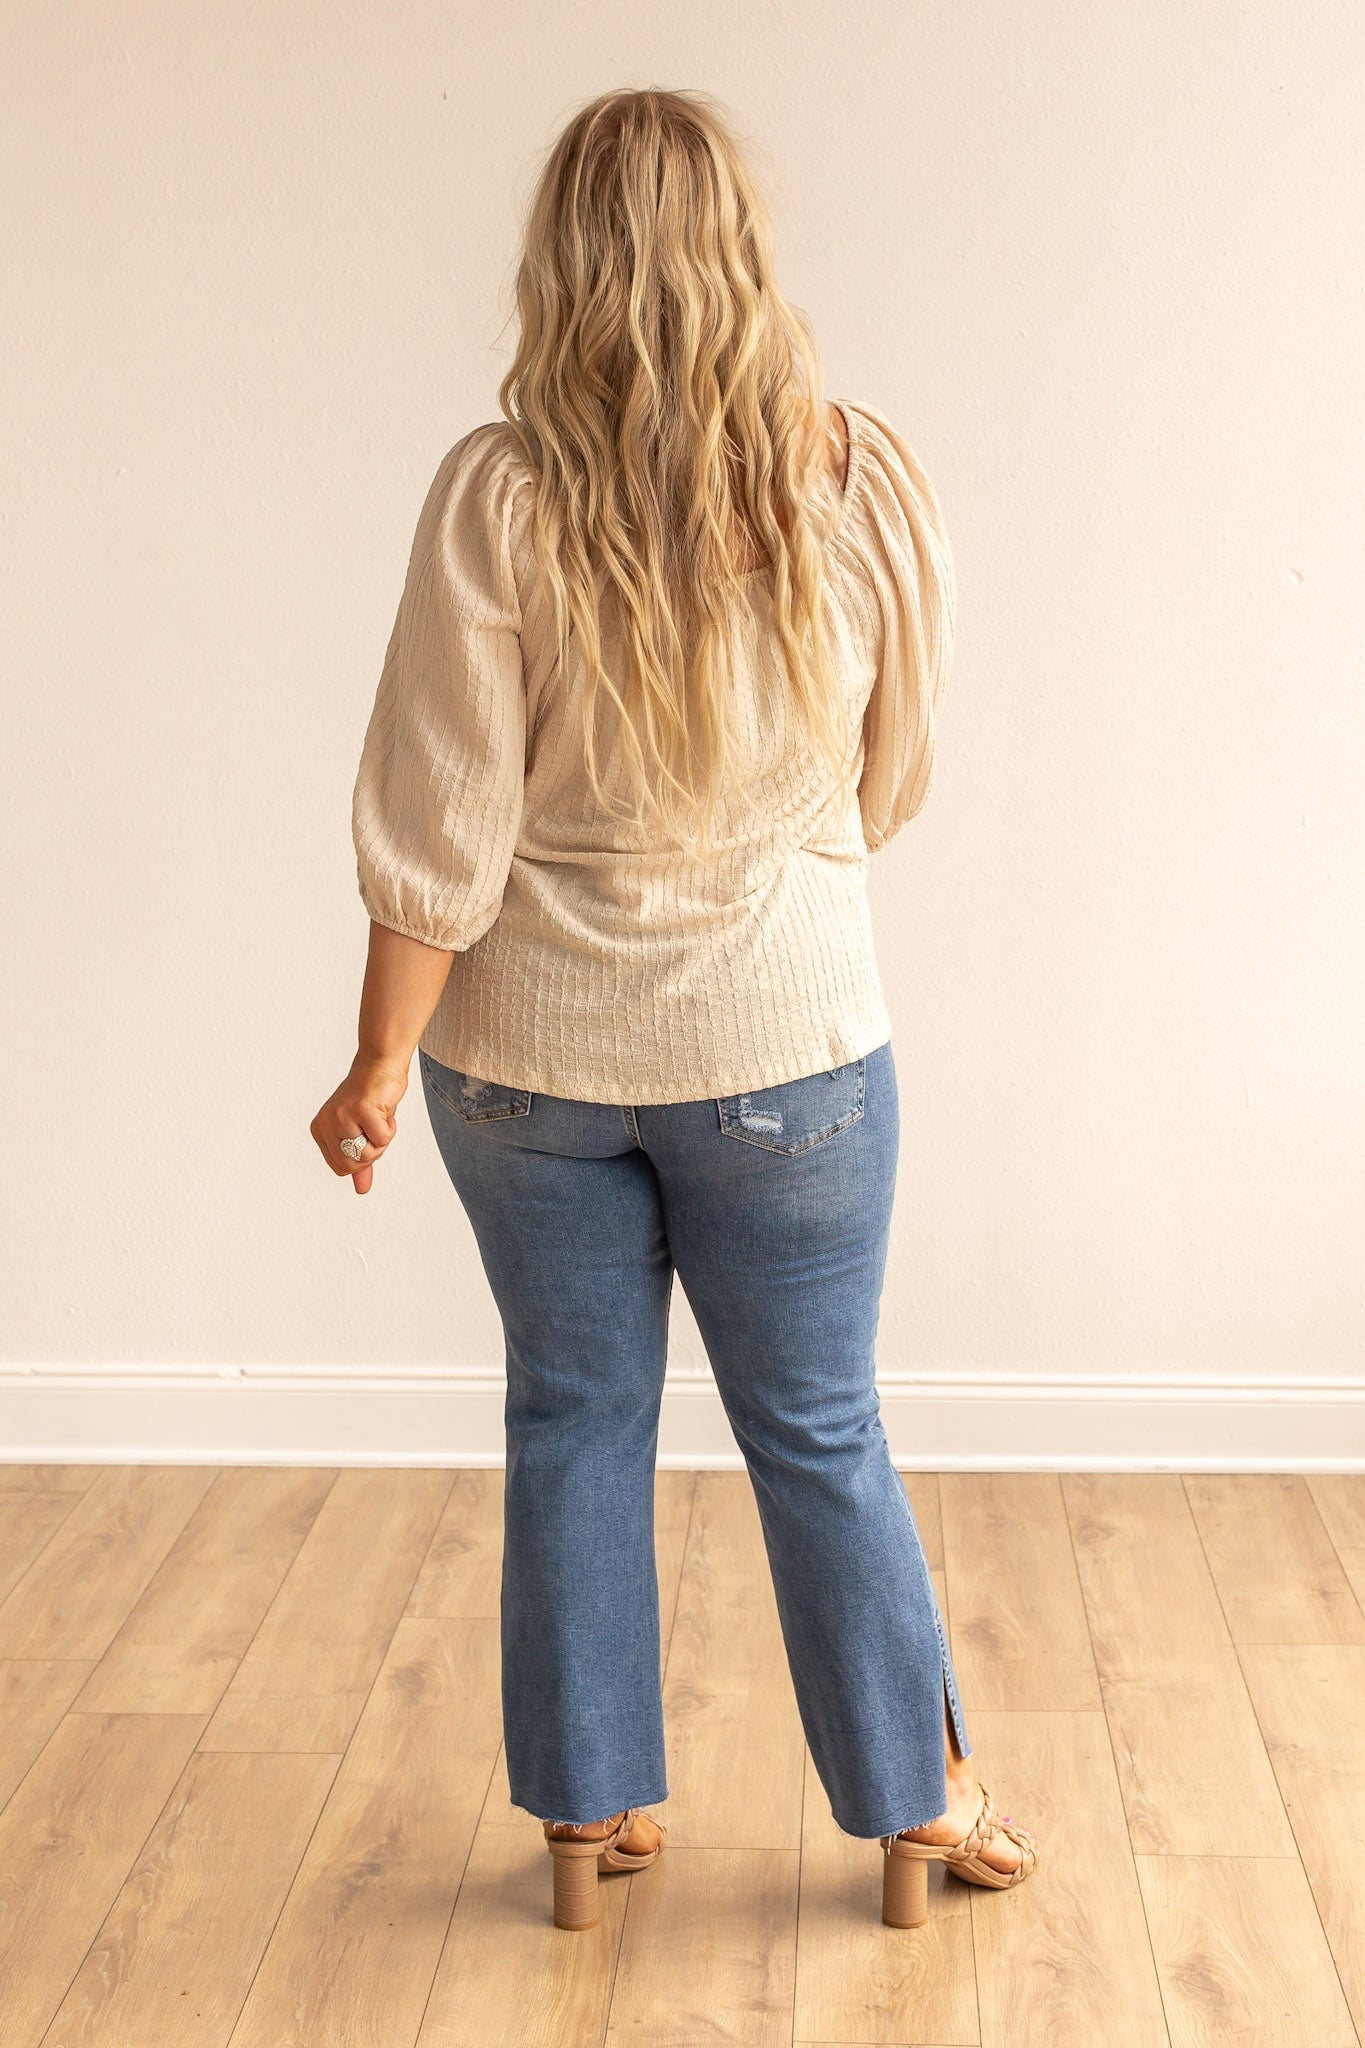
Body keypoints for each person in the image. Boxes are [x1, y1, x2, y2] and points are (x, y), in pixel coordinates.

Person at [311, 85, 1038, 1935]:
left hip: (521, 1063)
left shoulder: (498, 493)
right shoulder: (851, 477)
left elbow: (441, 818)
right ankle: (917, 1807)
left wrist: (379, 1058)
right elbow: (892, 777)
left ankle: (590, 1813)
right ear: (742, 250)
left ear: (559, 258)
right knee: (819, 1429)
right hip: (789, 1052)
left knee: (570, 1417)